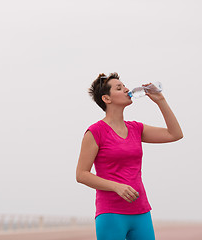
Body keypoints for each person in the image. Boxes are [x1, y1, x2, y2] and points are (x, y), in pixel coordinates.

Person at [76, 72, 183, 240]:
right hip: (111, 213)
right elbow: (81, 175)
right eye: (119, 88)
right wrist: (117, 186)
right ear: (107, 99)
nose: (126, 89)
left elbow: (175, 134)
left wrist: (160, 100)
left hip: (141, 211)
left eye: (124, 85)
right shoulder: (95, 132)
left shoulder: (136, 128)